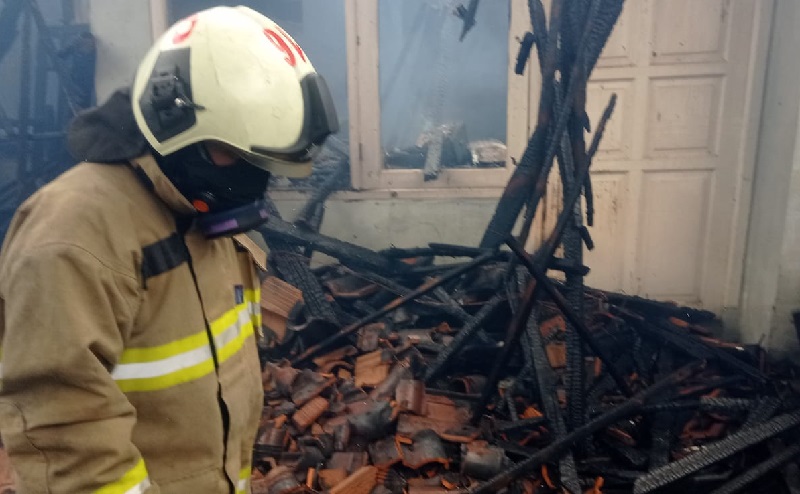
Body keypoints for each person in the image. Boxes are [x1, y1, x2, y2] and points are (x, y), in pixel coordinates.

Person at [0, 6, 337, 493]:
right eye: (235, 155)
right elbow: (66, 436)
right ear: (172, 121)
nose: (249, 176)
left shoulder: (198, 214)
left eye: (261, 161)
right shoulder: (73, 235)